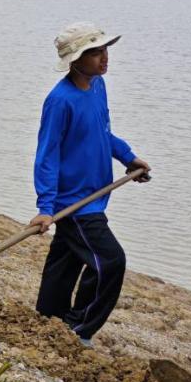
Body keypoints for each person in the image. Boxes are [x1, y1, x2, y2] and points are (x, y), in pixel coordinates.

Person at [30, 22, 151, 346]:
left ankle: (47, 318)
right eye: (94, 53)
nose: (103, 58)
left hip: (94, 195)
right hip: (76, 201)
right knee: (110, 261)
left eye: (103, 49)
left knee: (65, 260)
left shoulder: (97, 86)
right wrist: (45, 207)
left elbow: (100, 131)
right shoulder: (60, 100)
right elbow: (47, 155)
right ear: (75, 60)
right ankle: (78, 329)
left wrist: (127, 156)